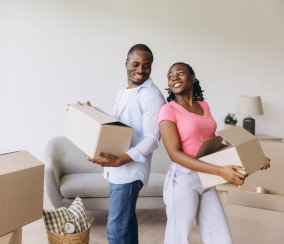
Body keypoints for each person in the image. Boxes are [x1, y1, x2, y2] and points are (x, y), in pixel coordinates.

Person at [158, 62, 270, 244]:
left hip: (207, 176)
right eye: (170, 76)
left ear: (193, 77)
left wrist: (255, 158)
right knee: (178, 238)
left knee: (220, 237)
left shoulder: (204, 106)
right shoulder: (168, 109)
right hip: (182, 179)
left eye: (180, 73)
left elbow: (213, 146)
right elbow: (174, 154)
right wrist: (219, 171)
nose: (174, 78)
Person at [88, 44, 165, 244]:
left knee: (116, 230)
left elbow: (153, 138)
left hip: (130, 171)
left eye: (146, 66)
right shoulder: (123, 87)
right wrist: (90, 111)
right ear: (126, 63)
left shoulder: (152, 96)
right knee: (125, 224)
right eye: (136, 64)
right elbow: (118, 121)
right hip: (116, 167)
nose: (140, 70)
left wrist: (123, 158)